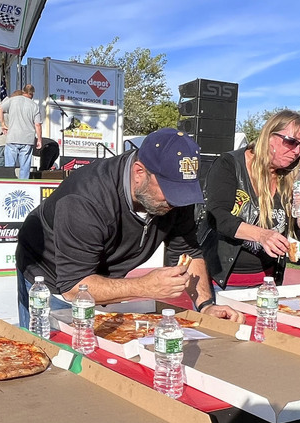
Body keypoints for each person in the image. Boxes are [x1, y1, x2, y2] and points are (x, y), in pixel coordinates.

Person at [15, 128, 242, 325]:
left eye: (182, 193)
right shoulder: (86, 198)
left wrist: (206, 305)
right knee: (56, 356)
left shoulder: (175, 198)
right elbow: (74, 286)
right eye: (170, 191)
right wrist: (143, 287)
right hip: (50, 277)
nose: (176, 202)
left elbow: (189, 253)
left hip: (103, 275)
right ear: (139, 172)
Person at [200, 109, 300, 290]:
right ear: (269, 136)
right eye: (291, 142)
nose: (297, 151)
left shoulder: (293, 174)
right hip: (222, 281)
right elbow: (218, 217)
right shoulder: (230, 164)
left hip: (268, 282)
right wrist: (262, 235)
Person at [0, 84, 43, 180]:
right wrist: (39, 139)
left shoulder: (12, 100)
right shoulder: (34, 106)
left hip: (13, 137)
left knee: (9, 166)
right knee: (25, 167)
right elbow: (37, 124)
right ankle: (23, 185)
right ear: (32, 94)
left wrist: (3, 124)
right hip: (27, 139)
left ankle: (9, 184)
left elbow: (0, 109)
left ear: (23, 91)